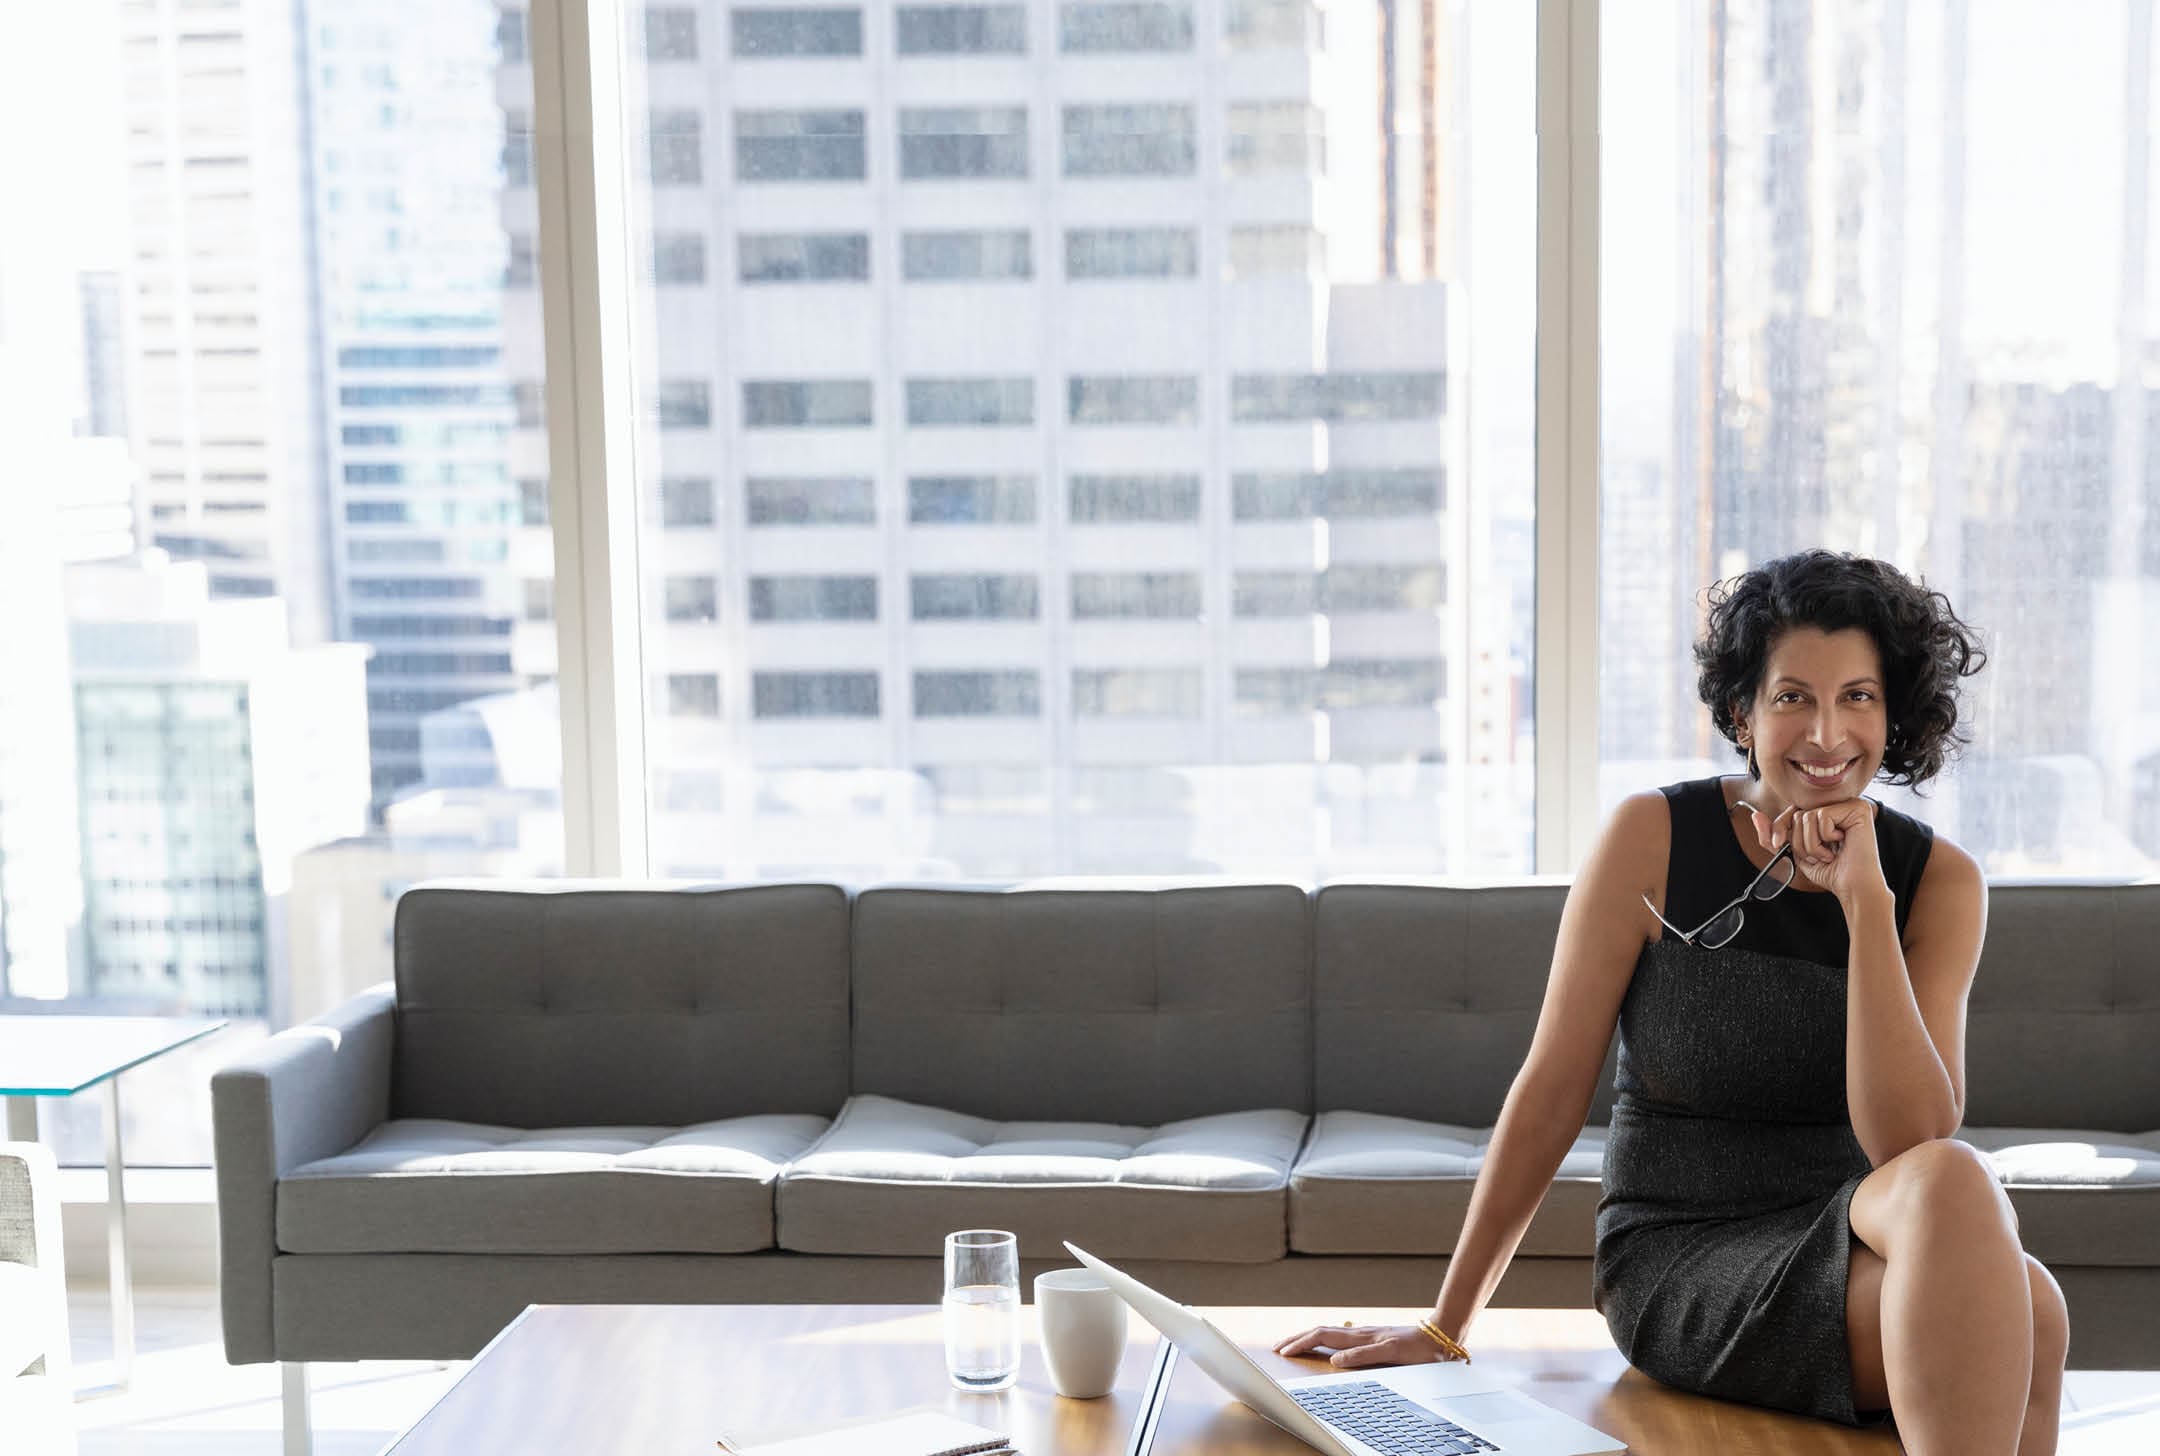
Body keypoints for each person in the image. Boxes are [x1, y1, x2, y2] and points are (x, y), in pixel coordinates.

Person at [1276, 550, 2069, 1455]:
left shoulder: (1939, 883)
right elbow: (1551, 1089)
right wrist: (1447, 1326)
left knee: (2004, 1259)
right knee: (2016, 1298)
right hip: (1682, 1253)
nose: (1825, 731)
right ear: (1742, 711)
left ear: (1894, 714)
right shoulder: (1653, 837)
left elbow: (1911, 1139)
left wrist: (1866, 904)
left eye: (1857, 696)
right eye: (1791, 697)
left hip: (1852, 1231)